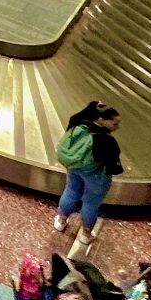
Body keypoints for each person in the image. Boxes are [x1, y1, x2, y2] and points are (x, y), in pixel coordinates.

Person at [53, 101, 123, 244]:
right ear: (101, 120)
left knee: (71, 191)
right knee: (91, 203)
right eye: (114, 123)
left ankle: (61, 221)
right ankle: (86, 234)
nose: (117, 127)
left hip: (74, 167)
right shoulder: (105, 140)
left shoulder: (77, 124)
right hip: (96, 175)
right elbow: (113, 166)